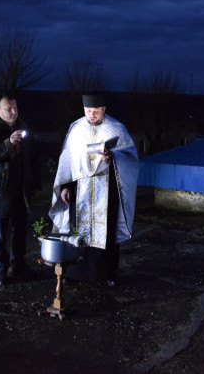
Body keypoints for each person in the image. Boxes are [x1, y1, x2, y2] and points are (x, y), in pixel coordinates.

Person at [49, 94, 138, 287]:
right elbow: (68, 161)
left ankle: (108, 274)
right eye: (88, 111)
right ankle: (74, 272)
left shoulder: (116, 128)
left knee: (107, 233)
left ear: (103, 109)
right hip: (79, 191)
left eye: (96, 111)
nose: (92, 115)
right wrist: (66, 187)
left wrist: (111, 157)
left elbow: (129, 156)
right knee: (76, 231)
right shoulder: (76, 129)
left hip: (107, 192)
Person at [0, 94, 41, 286]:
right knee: (0, 234)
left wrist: (34, 183)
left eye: (15, 107)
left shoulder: (24, 127)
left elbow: (33, 157)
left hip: (22, 190)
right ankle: (0, 269)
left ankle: (18, 265)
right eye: (9, 109)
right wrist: (8, 144)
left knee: (20, 231)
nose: (14, 112)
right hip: (0, 191)